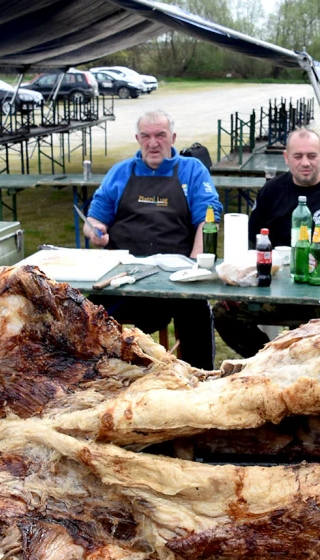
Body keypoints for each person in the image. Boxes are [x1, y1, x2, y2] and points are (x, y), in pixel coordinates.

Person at [213, 128, 320, 358]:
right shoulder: (271, 192)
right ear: (286, 157)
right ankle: (268, 361)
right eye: (298, 156)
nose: (305, 163)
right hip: (279, 289)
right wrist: (245, 276)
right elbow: (251, 239)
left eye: (312, 156)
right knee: (225, 313)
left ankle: (319, 374)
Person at [82, 109, 223, 370]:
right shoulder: (120, 172)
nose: (153, 143)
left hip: (176, 274)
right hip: (123, 274)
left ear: (173, 137)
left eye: (160, 135)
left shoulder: (192, 170)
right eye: (146, 136)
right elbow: (94, 220)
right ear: (138, 138)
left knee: (196, 314)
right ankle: (98, 380)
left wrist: (197, 264)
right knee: (84, 317)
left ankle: (200, 380)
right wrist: (96, 232)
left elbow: (208, 217)